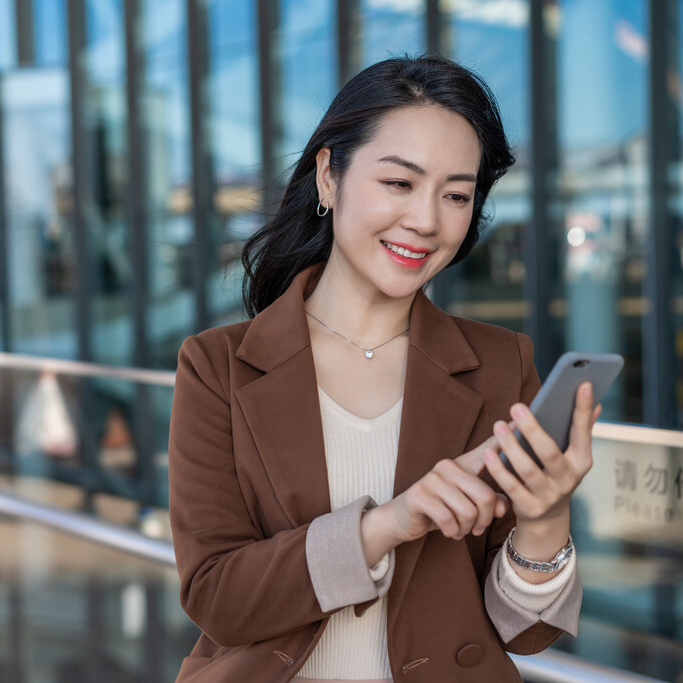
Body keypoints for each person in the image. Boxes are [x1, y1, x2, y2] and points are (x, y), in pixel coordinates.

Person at [168, 55, 601, 682]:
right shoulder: (218, 367)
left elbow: (528, 633)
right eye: (399, 183)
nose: (427, 221)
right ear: (328, 177)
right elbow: (218, 597)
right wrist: (388, 524)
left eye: (455, 194)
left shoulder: (501, 365)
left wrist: (545, 520)